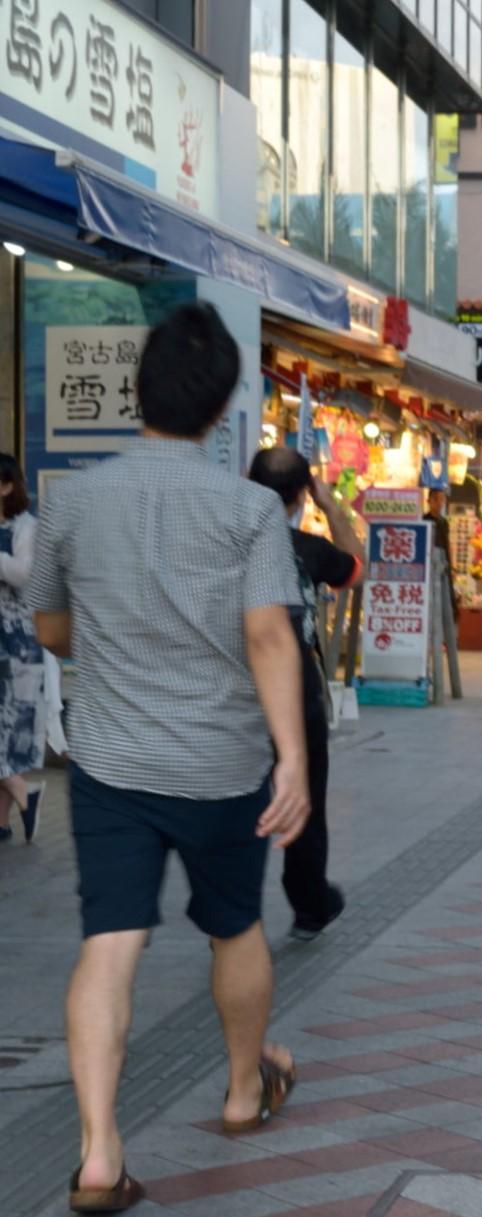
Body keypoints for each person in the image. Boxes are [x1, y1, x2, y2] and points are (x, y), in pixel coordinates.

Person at [28, 302, 310, 1212]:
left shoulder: (68, 500)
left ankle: (100, 1151)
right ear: (224, 408)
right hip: (222, 760)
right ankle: (239, 1092)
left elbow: (51, 627)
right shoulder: (249, 508)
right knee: (234, 924)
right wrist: (294, 758)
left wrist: (113, 637)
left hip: (110, 759)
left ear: (134, 392)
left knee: (109, 944)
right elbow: (268, 636)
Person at [247, 447, 365, 941]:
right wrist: (331, 504)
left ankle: (230, 908)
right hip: (295, 693)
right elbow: (359, 566)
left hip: (234, 692)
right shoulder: (307, 548)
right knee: (304, 799)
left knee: (236, 799)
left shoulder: (223, 545)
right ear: (301, 494)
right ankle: (310, 906)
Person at [0, 454, 48, 844]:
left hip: (16, 641)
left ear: (7, 486)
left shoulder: (27, 527)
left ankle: (18, 793)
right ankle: (18, 797)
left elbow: (24, 575)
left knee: (10, 727)